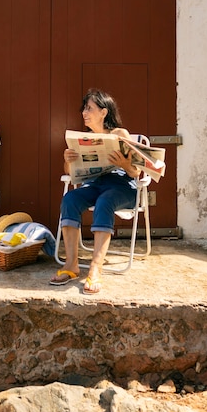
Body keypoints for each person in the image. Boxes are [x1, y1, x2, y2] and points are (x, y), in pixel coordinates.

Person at [50, 88, 139, 294]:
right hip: (95, 184)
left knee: (104, 202)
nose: (84, 112)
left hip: (122, 186)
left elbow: (135, 172)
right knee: (70, 199)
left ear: (104, 112)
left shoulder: (120, 134)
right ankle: (71, 264)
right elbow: (72, 175)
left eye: (89, 108)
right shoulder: (84, 139)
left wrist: (125, 163)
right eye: (84, 108)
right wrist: (68, 161)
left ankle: (95, 268)